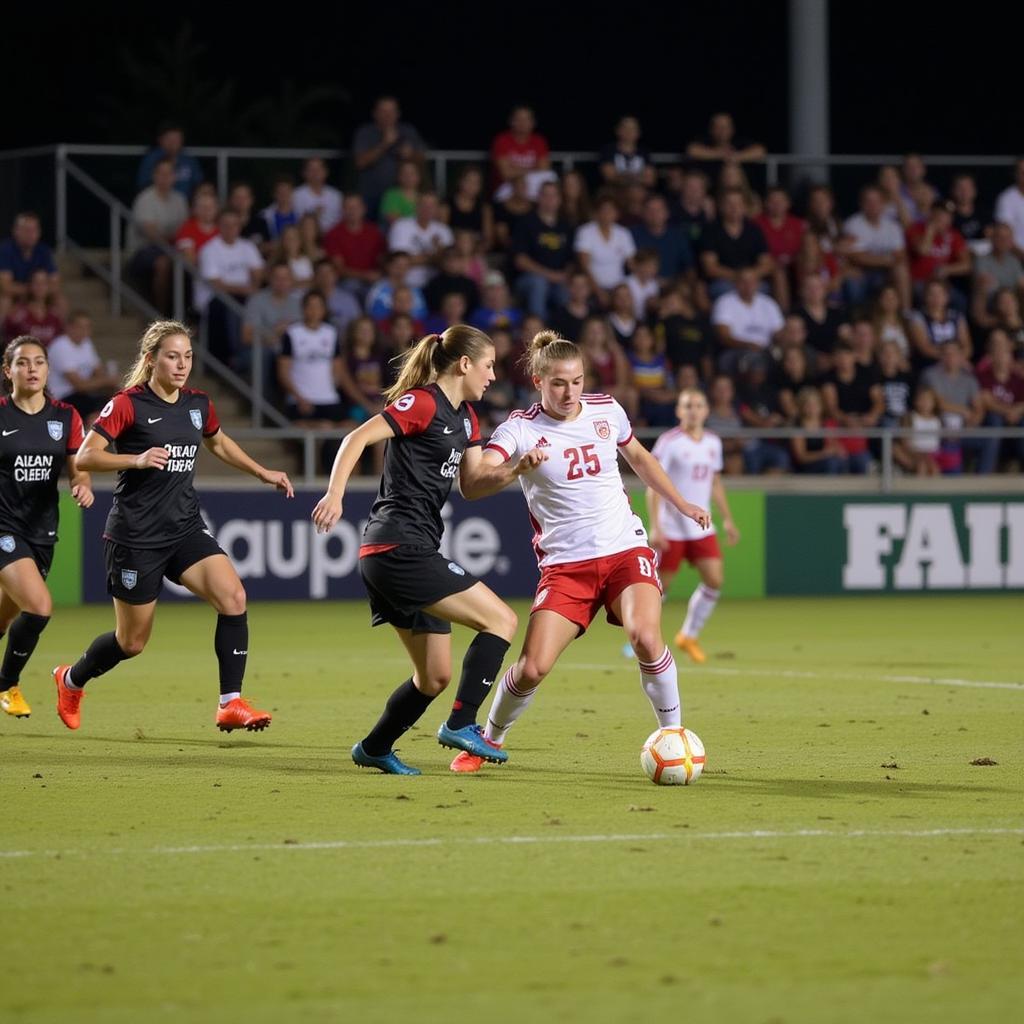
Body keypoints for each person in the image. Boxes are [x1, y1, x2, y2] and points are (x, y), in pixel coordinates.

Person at [447, 330, 710, 772]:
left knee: (646, 637)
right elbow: (476, 483)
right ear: (538, 381)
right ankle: (487, 740)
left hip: (625, 549)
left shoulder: (607, 410)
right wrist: (514, 469)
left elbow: (641, 459)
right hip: (566, 568)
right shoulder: (520, 428)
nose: (570, 392)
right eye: (558, 383)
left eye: (577, 381)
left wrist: (680, 502)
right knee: (532, 668)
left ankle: (674, 734)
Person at [52, 321, 294, 731]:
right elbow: (86, 457)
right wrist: (136, 459)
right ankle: (71, 679)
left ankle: (229, 703)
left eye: (187, 356)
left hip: (184, 527)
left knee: (233, 596)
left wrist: (261, 471)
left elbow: (217, 441)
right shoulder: (128, 404)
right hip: (135, 536)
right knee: (131, 643)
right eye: (172, 356)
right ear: (150, 360)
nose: (182, 364)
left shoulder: (198, 403)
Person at [311, 326, 526, 775]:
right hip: (397, 546)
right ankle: (463, 724)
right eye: (487, 365)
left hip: (405, 549)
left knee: (434, 677)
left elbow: (470, 485)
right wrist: (335, 495)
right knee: (502, 620)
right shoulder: (423, 402)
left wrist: (515, 471)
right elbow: (356, 439)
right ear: (464, 364)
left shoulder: (467, 417)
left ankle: (374, 747)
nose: (492, 375)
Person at [0, 337, 92, 719]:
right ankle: (7, 685)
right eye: (23, 363)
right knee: (38, 608)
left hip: (42, 530)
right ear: (8, 371)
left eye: (39, 362)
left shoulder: (65, 417)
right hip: (4, 526)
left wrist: (81, 484)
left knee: (6, 616)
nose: (32, 369)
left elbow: (78, 465)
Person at [646, 388, 738, 664]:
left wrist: (728, 518)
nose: (693, 410)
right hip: (672, 526)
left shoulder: (713, 442)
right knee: (658, 588)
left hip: (702, 524)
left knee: (714, 579)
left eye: (698, 405)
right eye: (687, 405)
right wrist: (656, 526)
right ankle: (644, 639)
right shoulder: (669, 442)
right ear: (679, 411)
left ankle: (689, 635)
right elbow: (653, 484)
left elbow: (715, 482)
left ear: (706, 411)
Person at [127, 159, 189, 315]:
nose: (165, 177)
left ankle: (189, 312)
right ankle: (160, 313)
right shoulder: (145, 198)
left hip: (171, 248)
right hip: (143, 250)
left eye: (169, 174)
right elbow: (151, 234)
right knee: (164, 263)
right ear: (154, 176)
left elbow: (184, 231)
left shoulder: (179, 200)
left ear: (174, 177)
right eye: (161, 173)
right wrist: (172, 239)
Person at [352, 97, 426, 217]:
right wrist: (384, 144)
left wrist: (410, 154)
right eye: (383, 111)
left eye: (391, 111)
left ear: (398, 114)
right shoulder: (365, 132)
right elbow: (360, 162)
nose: (388, 115)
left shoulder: (407, 131)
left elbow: (421, 158)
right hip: (370, 195)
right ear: (375, 114)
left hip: (400, 196)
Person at [511, 180, 574, 317]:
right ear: (538, 198)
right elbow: (520, 260)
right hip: (528, 280)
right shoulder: (526, 222)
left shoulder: (566, 225)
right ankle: (540, 332)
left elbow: (571, 260)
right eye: (546, 195)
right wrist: (550, 275)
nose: (550, 200)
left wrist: (566, 276)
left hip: (559, 280)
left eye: (554, 195)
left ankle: (564, 333)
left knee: (567, 290)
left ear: (559, 199)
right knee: (539, 284)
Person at [699, 188, 773, 299]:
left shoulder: (754, 230)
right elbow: (710, 267)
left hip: (751, 280)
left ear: (744, 207)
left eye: (738, 204)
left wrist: (749, 277)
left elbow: (766, 264)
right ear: (721, 206)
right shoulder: (711, 230)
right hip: (724, 282)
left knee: (762, 289)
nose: (734, 208)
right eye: (729, 203)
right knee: (726, 291)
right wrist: (738, 277)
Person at [46, 312, 120, 423]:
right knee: (101, 406)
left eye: (87, 327)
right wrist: (107, 381)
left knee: (117, 399)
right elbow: (80, 385)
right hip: (63, 397)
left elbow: (98, 371)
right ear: (69, 327)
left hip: (83, 394)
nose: (84, 330)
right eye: (80, 327)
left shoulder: (86, 343)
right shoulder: (60, 346)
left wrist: (108, 384)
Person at [574, 193, 637, 304]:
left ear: (617, 214)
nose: (607, 214)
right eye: (603, 210)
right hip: (593, 287)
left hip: (618, 289)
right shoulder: (585, 231)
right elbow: (584, 265)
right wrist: (598, 291)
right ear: (597, 212)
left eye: (611, 210)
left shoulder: (623, 233)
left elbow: (632, 263)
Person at [322, 194, 386, 300]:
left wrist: (379, 274)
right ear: (342, 210)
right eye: (348, 207)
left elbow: (383, 259)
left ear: (363, 209)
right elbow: (339, 269)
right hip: (348, 281)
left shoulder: (374, 232)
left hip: (374, 279)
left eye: (356, 207)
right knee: (352, 286)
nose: (352, 211)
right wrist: (365, 275)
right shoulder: (333, 234)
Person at [387, 192, 454, 290]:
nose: (427, 209)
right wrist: (435, 257)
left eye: (432, 205)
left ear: (437, 209)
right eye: (424, 204)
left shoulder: (444, 230)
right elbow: (399, 261)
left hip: (437, 286)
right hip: (406, 285)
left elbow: (450, 263)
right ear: (416, 206)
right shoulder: (401, 226)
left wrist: (417, 259)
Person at [0, 213, 61, 316]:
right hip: (15, 296)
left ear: (39, 232)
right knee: (5, 300)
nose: (31, 234)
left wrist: (39, 292)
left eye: (34, 230)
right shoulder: (5, 250)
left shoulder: (44, 251)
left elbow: (55, 283)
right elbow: (5, 286)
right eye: (27, 230)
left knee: (59, 299)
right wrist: (33, 290)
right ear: (16, 231)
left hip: (37, 294)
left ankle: (60, 332)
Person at [630, 193, 694, 284]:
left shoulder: (677, 235)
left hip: (672, 287)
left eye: (658, 210)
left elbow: (689, 266)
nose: (654, 214)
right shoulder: (632, 234)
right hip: (642, 284)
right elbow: (630, 265)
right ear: (643, 213)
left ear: (667, 213)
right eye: (650, 210)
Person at [490, 105, 551, 194]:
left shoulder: (539, 141)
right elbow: (506, 174)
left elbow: (544, 170)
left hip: (532, 188)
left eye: (526, 119)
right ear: (511, 121)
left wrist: (515, 170)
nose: (522, 123)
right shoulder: (502, 140)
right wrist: (533, 169)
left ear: (533, 122)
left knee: (551, 177)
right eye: (518, 119)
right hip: (506, 189)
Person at [136, 122, 203, 199]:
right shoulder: (151, 159)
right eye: (168, 139)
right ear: (160, 140)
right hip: (159, 203)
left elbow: (199, 185)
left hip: (184, 205)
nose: (172, 143)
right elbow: (143, 186)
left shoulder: (189, 160)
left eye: (176, 138)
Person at [442, 165, 494, 252]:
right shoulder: (447, 206)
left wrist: (475, 252)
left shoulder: (485, 208)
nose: (472, 186)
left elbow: (488, 239)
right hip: (452, 252)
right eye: (469, 181)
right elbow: (441, 233)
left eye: (476, 183)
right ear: (460, 182)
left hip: (476, 252)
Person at [599, 116, 656, 189]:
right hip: (615, 191)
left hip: (639, 193)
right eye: (625, 128)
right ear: (618, 130)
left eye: (633, 129)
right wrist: (638, 177)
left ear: (638, 133)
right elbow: (609, 177)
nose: (629, 132)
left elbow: (650, 180)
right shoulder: (609, 150)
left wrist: (622, 176)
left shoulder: (644, 152)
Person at [292, 157, 343, 233]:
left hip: (333, 239)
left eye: (318, 169)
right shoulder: (295, 195)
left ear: (326, 172)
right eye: (311, 170)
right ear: (304, 173)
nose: (315, 173)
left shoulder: (336, 195)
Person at [379, 159, 423, 226]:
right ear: (399, 177)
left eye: (412, 173)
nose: (408, 177)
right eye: (405, 174)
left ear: (418, 176)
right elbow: (395, 221)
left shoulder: (424, 197)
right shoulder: (391, 195)